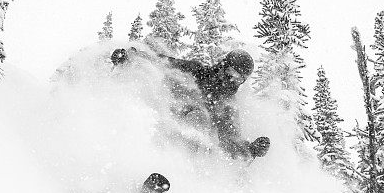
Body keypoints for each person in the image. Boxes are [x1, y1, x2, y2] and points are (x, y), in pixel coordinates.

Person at [114, 47, 270, 160]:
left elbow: (230, 139)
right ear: (223, 65)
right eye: (231, 73)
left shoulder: (226, 106)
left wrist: (250, 149)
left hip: (190, 143)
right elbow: (162, 62)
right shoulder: (197, 72)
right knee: (194, 114)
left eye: (238, 79)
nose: (231, 80)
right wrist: (131, 56)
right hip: (165, 118)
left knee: (199, 119)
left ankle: (179, 168)